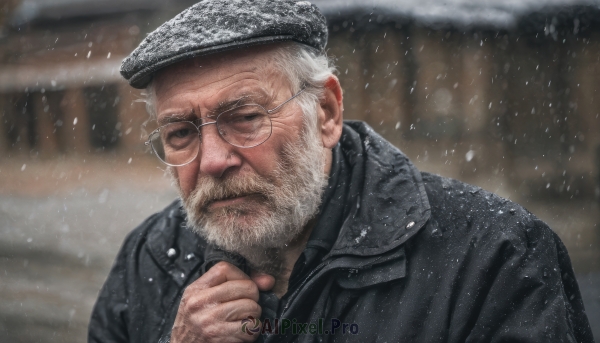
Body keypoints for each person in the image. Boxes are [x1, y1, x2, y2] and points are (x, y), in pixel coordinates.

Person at [88, 1, 595, 342]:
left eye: (245, 119)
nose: (213, 159)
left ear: (326, 112)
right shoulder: (150, 258)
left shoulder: (497, 257)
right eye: (181, 133)